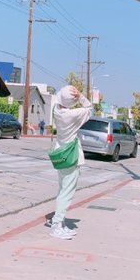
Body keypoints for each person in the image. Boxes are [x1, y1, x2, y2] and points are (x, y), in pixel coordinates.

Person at [49, 85, 92, 240]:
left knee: (62, 190)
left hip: (61, 153)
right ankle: (57, 224)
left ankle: (60, 223)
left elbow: (59, 100)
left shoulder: (56, 110)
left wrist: (71, 97)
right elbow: (90, 108)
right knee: (67, 192)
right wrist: (80, 97)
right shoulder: (73, 114)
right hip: (71, 155)